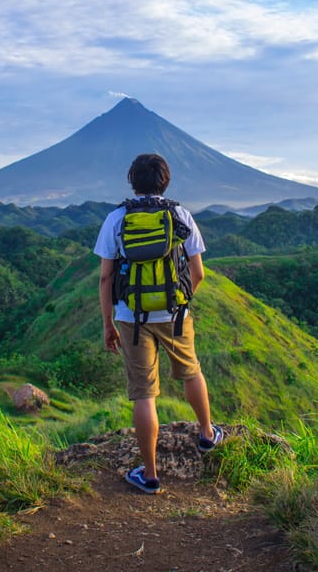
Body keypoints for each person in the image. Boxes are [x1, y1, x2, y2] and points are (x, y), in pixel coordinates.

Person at [94, 153, 224, 494]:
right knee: (191, 371)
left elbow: (106, 278)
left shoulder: (117, 218)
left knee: (144, 393)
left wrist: (108, 323)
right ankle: (207, 435)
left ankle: (150, 476)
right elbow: (198, 273)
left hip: (130, 316)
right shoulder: (179, 214)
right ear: (165, 181)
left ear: (132, 181)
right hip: (175, 313)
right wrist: (180, 301)